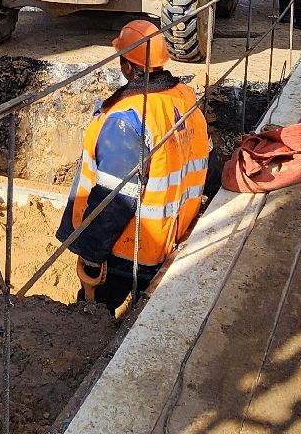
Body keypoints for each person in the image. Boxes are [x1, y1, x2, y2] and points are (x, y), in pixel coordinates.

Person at [56, 20, 210, 313]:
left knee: (95, 312)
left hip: (128, 248)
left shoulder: (128, 120)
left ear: (127, 66)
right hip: (171, 232)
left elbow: (113, 201)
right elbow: (206, 159)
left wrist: (90, 257)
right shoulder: (184, 98)